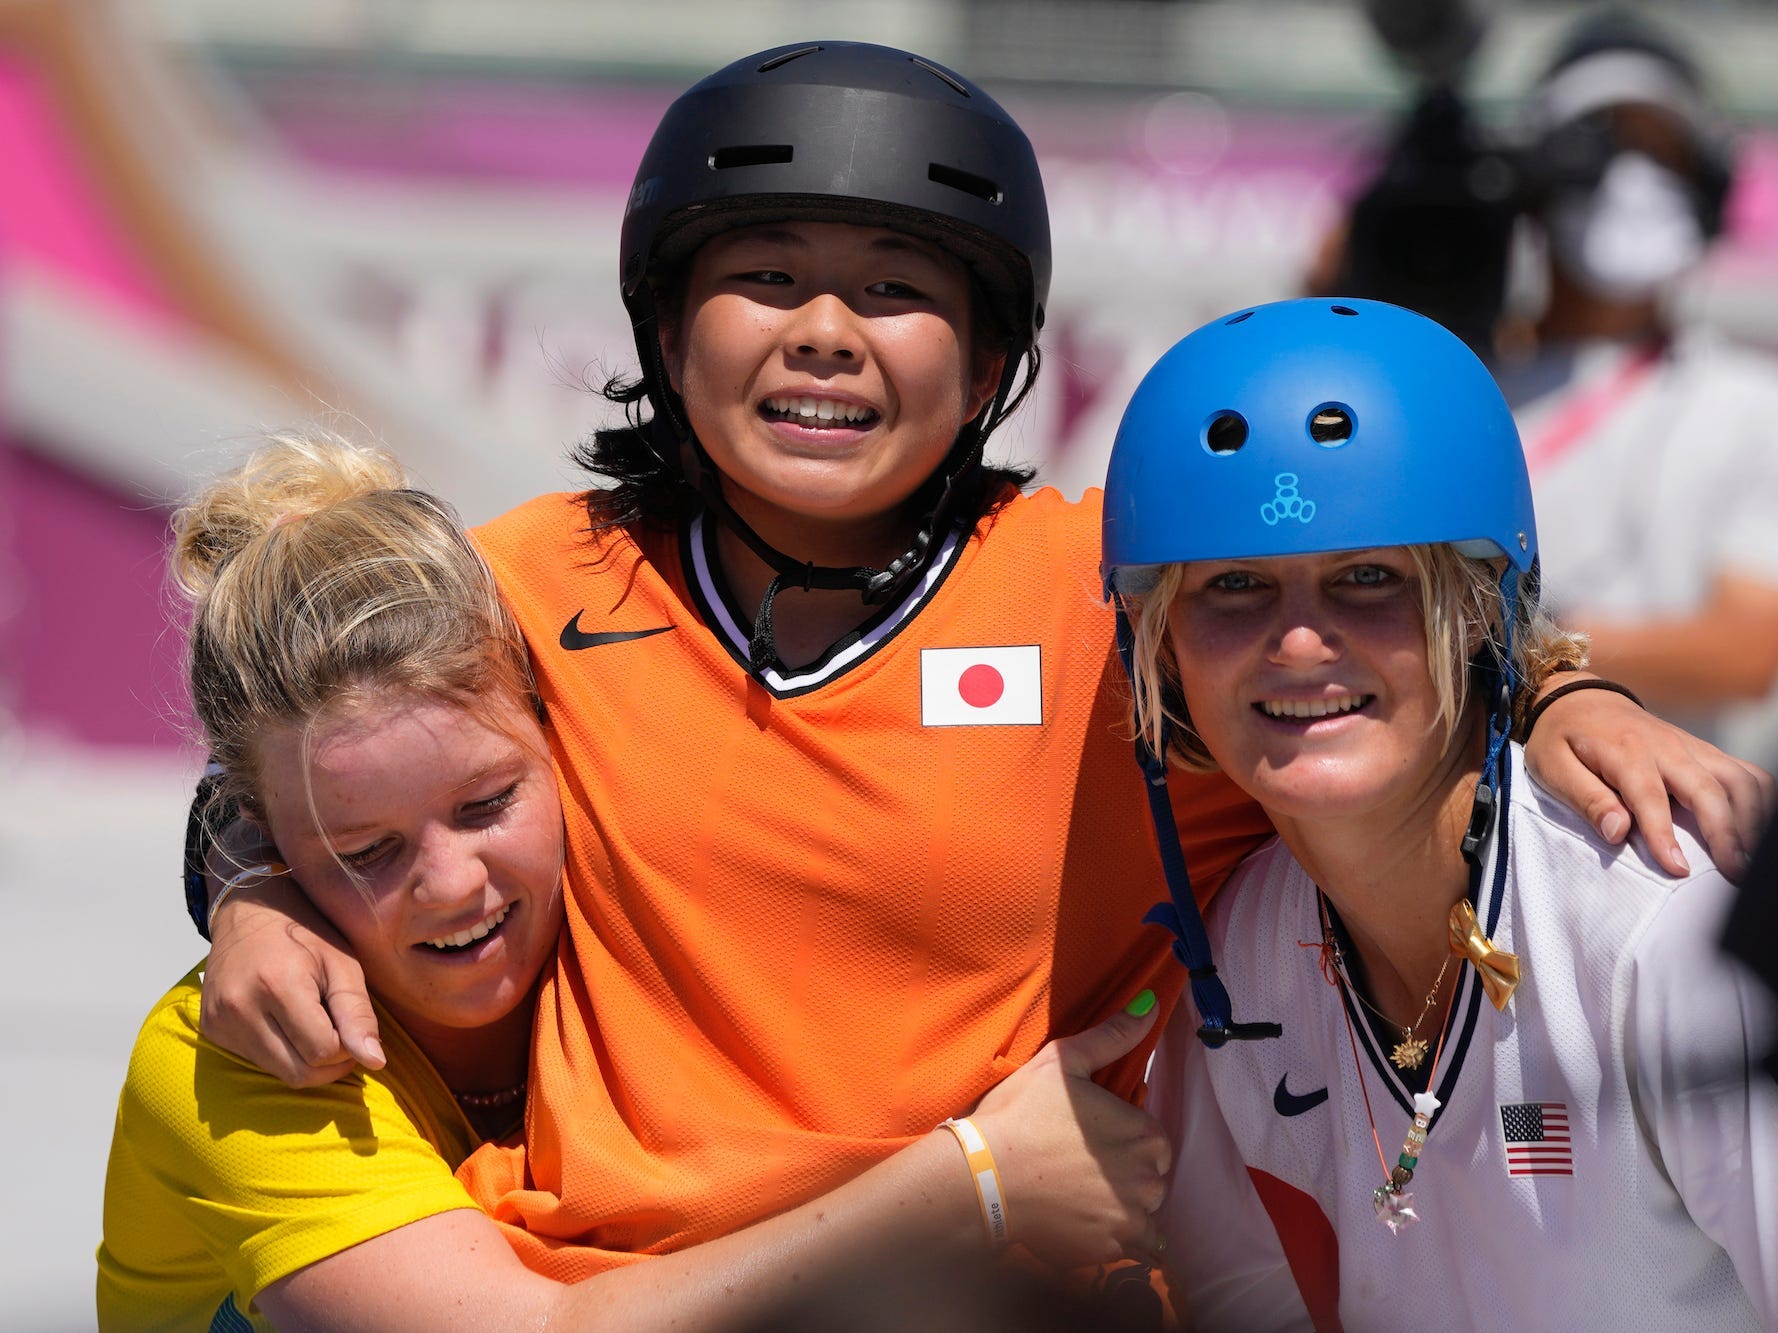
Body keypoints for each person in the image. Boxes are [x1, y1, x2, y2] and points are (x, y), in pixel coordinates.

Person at [193, 42, 1769, 1287]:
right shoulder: (534, 581)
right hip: (633, 1284)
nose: (825, 329)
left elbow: (1361, 658)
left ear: (995, 353)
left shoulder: (1109, 600)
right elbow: (331, 751)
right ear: (665, 323)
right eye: (767, 275)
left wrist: (1556, 689)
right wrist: (250, 884)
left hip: (1022, 1291)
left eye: (894, 287)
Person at [98, 434, 1174, 1330]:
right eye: (364, 850)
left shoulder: (626, 895)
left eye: (484, 805)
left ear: (560, 732)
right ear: (269, 832)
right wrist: (971, 1179)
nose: (448, 882)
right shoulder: (236, 1054)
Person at [1100, 298, 1778, 1329]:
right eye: (1232, 584)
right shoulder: (1236, 952)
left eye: (1365, 577)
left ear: (1475, 613)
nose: (1296, 642)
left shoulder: (1663, 927)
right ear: (1157, 649)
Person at [1499, 8, 1778, 761]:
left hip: (1665, 853)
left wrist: (1497, 644)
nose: (1630, 178)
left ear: (1708, 187)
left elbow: (1746, 652)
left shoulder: (1751, 400)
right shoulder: (1457, 381)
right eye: (1601, 146)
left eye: (1662, 152)